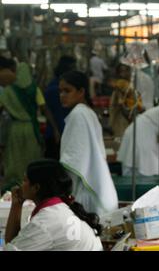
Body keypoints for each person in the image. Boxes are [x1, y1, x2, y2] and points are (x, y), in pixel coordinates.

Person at [4, 159, 103, 251]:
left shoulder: (43, 223)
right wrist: (16, 205)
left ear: (36, 187)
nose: (21, 185)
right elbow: (13, 244)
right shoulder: (61, 208)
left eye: (25, 180)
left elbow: (11, 248)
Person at [59, 70, 118, 216]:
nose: (62, 95)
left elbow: (72, 161)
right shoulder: (86, 112)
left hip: (87, 194)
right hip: (101, 189)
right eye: (60, 91)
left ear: (81, 92)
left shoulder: (78, 114)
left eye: (67, 91)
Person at [0, 61, 60, 189]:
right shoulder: (35, 90)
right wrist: (55, 129)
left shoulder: (8, 91)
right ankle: (31, 185)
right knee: (31, 157)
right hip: (31, 129)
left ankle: (14, 187)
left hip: (15, 129)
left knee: (15, 159)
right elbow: (45, 110)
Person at [44, 55, 77, 159]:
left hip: (58, 131)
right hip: (59, 131)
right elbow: (48, 110)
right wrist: (56, 130)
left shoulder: (52, 86)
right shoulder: (58, 89)